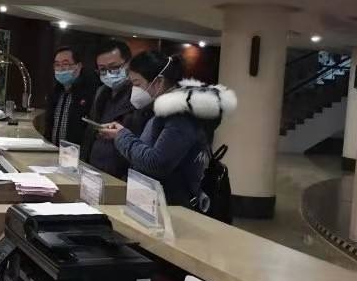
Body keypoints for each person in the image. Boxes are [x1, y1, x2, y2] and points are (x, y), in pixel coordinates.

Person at [99, 50, 236, 207]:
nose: (133, 90)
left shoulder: (180, 114)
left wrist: (121, 136)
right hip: (157, 200)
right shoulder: (162, 110)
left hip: (173, 204)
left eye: (137, 84)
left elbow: (157, 163)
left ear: (158, 82)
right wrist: (121, 134)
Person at [81, 39, 153, 179]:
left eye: (114, 67)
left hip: (123, 175)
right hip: (95, 170)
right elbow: (90, 135)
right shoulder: (101, 93)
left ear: (128, 64)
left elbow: (141, 142)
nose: (108, 74)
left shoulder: (139, 95)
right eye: (103, 69)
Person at [44, 45, 98, 146]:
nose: (61, 68)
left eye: (66, 64)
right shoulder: (55, 92)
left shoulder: (91, 92)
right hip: (53, 149)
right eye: (57, 65)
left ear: (78, 66)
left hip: (77, 152)